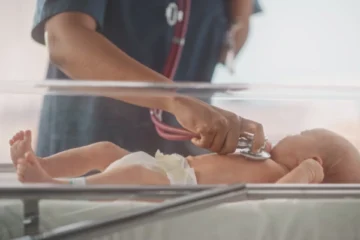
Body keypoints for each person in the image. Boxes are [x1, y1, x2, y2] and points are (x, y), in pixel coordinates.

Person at [31, 0, 263, 161]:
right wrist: (174, 100)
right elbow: (65, 40)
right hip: (90, 150)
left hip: (185, 159)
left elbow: (233, 37)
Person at [10, 128, 360, 185]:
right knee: (103, 150)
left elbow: (287, 198)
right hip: (169, 164)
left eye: (300, 136)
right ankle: (40, 164)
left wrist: (309, 174)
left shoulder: (283, 177)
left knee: (133, 177)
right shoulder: (263, 159)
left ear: (314, 159)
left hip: (177, 184)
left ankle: (56, 183)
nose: (289, 136)